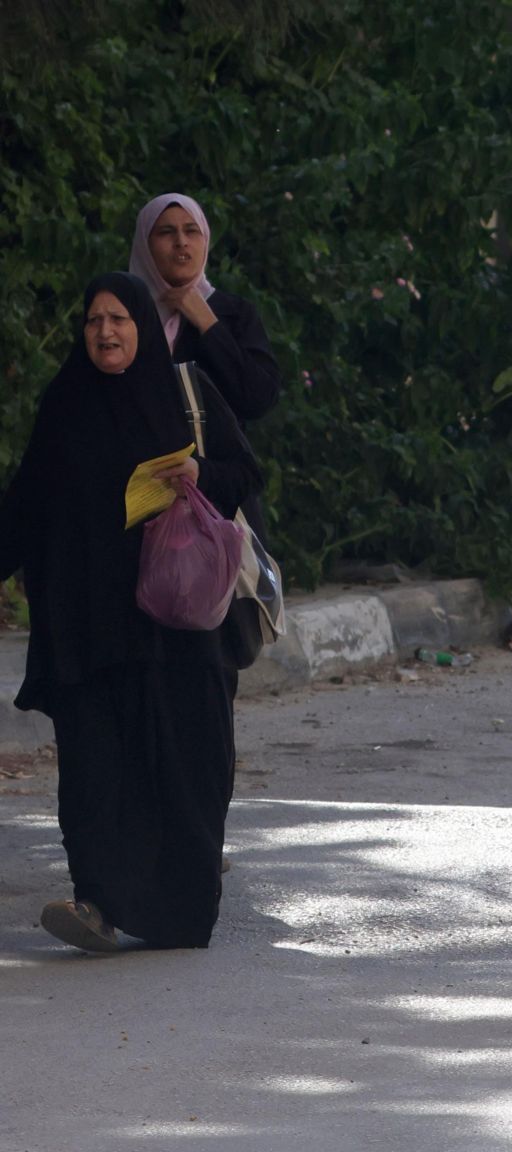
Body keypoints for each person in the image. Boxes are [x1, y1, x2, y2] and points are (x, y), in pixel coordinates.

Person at [0, 272, 261, 953]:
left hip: (173, 626)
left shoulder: (183, 397)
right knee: (93, 770)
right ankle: (97, 905)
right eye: (94, 320)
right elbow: (26, 505)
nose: (106, 332)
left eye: (118, 318)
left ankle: (177, 910)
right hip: (87, 626)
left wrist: (202, 474)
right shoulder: (66, 402)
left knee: (183, 765)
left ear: (142, 326)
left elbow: (246, 475)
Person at [130, 193, 280, 425]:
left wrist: (208, 324)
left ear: (205, 239)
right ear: (144, 244)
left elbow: (258, 399)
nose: (181, 241)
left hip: (212, 461)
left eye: (191, 231)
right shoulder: (122, 313)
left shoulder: (235, 314)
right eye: (166, 232)